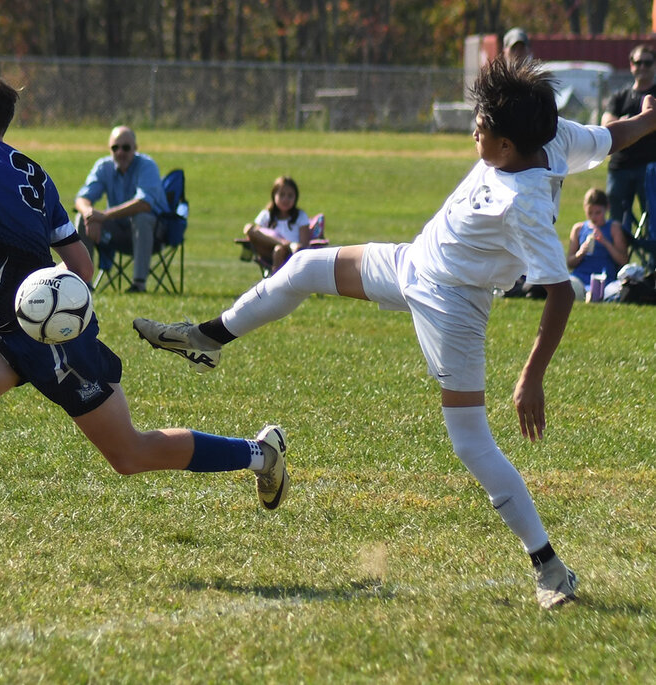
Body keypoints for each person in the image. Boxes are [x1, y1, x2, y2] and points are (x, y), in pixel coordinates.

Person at [133, 58, 656, 609]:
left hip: (452, 304)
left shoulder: (523, 202)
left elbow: (562, 291)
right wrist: (648, 117)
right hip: (414, 261)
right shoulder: (549, 137)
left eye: (481, 126)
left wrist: (531, 375)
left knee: (471, 443)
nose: (474, 129)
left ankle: (550, 569)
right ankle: (209, 339)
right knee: (304, 267)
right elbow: (613, 134)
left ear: (505, 146)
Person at [0, 64, 288, 582]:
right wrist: (46, 299)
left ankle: (261, 453)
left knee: (130, 452)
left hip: (45, 339)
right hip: (19, 331)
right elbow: (81, 267)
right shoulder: (35, 172)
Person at [74, 126, 169, 293]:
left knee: (142, 218)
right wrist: (90, 215)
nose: (120, 152)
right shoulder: (104, 167)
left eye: (126, 147)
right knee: (82, 219)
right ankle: (83, 283)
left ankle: (139, 285)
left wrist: (103, 216)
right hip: (117, 232)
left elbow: (144, 203)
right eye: (115, 147)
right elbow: (82, 198)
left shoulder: (147, 166)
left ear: (135, 148)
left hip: (154, 235)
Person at [601, 44, 656, 234]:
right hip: (620, 167)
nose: (642, 67)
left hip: (649, 167)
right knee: (616, 221)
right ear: (631, 65)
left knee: (653, 219)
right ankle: (618, 262)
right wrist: (640, 124)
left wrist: (625, 123)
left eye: (647, 63)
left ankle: (652, 263)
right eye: (637, 62)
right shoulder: (620, 96)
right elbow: (606, 121)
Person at [567, 187, 628, 302]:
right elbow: (570, 263)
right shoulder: (578, 228)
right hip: (580, 276)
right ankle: (586, 295)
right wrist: (581, 252)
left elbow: (623, 260)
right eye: (590, 213)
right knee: (568, 286)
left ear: (607, 208)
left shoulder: (613, 228)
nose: (593, 217)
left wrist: (605, 242)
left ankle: (593, 295)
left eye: (598, 213)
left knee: (618, 291)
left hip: (604, 278)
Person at [243, 176, 311, 275]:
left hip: (291, 254)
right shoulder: (266, 214)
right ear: (274, 195)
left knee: (279, 249)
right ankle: (284, 243)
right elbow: (255, 235)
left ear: (295, 198)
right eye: (282, 195)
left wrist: (289, 248)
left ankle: (276, 283)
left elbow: (304, 245)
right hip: (268, 252)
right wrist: (281, 243)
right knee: (249, 228)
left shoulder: (300, 216)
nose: (285, 199)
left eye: (290, 196)